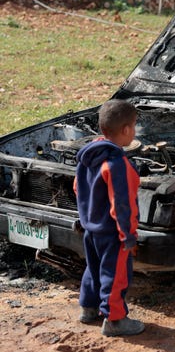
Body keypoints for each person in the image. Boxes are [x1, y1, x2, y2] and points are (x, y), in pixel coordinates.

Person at [73, 99, 144, 336]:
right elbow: (122, 205)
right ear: (126, 131)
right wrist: (128, 236)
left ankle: (89, 309)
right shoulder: (117, 164)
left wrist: (88, 216)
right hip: (113, 232)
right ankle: (115, 319)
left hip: (91, 228)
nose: (134, 131)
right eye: (133, 126)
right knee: (115, 276)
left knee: (93, 270)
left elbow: (77, 188)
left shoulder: (87, 157)